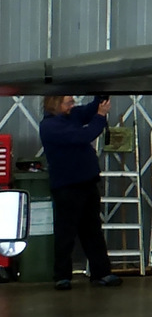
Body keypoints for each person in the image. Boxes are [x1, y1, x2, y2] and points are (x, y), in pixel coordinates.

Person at [38, 94, 122, 290]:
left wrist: (98, 100)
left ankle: (101, 272)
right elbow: (83, 135)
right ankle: (62, 276)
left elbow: (86, 111)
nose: (72, 105)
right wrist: (101, 116)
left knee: (92, 230)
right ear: (56, 104)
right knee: (66, 233)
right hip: (67, 186)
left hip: (87, 182)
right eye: (68, 102)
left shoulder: (70, 116)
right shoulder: (50, 126)